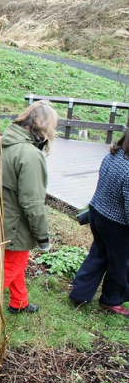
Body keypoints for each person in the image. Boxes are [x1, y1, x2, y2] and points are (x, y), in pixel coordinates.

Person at [0, 100, 58, 319]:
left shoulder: (5, 143)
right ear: (45, 126)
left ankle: (19, 302)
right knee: (11, 266)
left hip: (2, 217)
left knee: (15, 261)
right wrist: (43, 238)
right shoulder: (30, 155)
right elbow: (33, 202)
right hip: (16, 223)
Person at [69, 131, 129, 317]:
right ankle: (111, 300)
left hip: (97, 214)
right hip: (116, 223)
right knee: (120, 263)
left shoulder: (114, 155)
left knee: (98, 253)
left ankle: (80, 294)